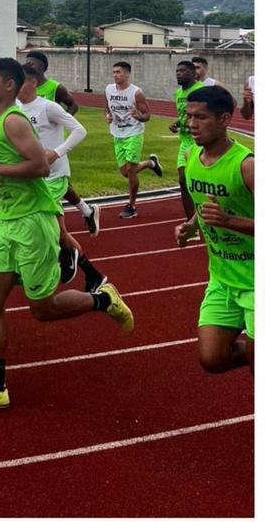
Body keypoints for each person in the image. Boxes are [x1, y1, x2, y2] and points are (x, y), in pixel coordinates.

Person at [0, 58, 133, 411]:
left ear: (9, 85)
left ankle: (103, 299)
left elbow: (40, 166)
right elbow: (1, 168)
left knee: (43, 309)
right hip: (7, 223)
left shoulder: (15, 121)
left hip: (34, 221)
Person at [174, 86, 254, 376]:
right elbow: (203, 203)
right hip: (222, 278)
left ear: (224, 119)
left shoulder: (247, 167)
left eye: (201, 117)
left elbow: (222, 214)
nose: (193, 125)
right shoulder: (192, 157)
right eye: (189, 116)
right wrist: (190, 225)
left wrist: (228, 221)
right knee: (212, 358)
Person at [18, 63, 108, 292]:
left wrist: (56, 152)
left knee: (46, 226)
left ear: (33, 83)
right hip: (33, 177)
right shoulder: (15, 109)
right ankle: (90, 273)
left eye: (20, 80)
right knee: (57, 230)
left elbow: (80, 130)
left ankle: (65, 256)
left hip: (55, 176)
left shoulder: (48, 107)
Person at [24, 50, 100, 235]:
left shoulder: (54, 88)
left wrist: (61, 122)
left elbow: (73, 105)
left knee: (52, 196)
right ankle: (86, 212)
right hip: (35, 157)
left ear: (41, 67)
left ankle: (66, 248)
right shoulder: (19, 102)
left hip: (53, 148)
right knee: (62, 189)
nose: (28, 65)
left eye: (31, 63)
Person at [104, 61, 163, 219]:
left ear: (127, 74)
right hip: (117, 133)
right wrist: (108, 116)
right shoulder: (109, 89)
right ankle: (151, 163)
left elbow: (147, 115)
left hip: (134, 133)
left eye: (119, 72)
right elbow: (108, 107)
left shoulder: (136, 93)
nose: (116, 75)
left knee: (130, 170)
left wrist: (140, 116)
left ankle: (131, 205)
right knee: (125, 172)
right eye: (114, 72)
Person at [171, 61, 205, 221]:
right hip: (185, 141)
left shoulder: (201, 90)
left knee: (202, 182)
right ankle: (191, 223)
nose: (178, 73)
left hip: (201, 141)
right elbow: (183, 115)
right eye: (177, 71)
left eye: (183, 71)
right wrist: (176, 124)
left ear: (193, 73)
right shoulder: (178, 93)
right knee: (183, 181)